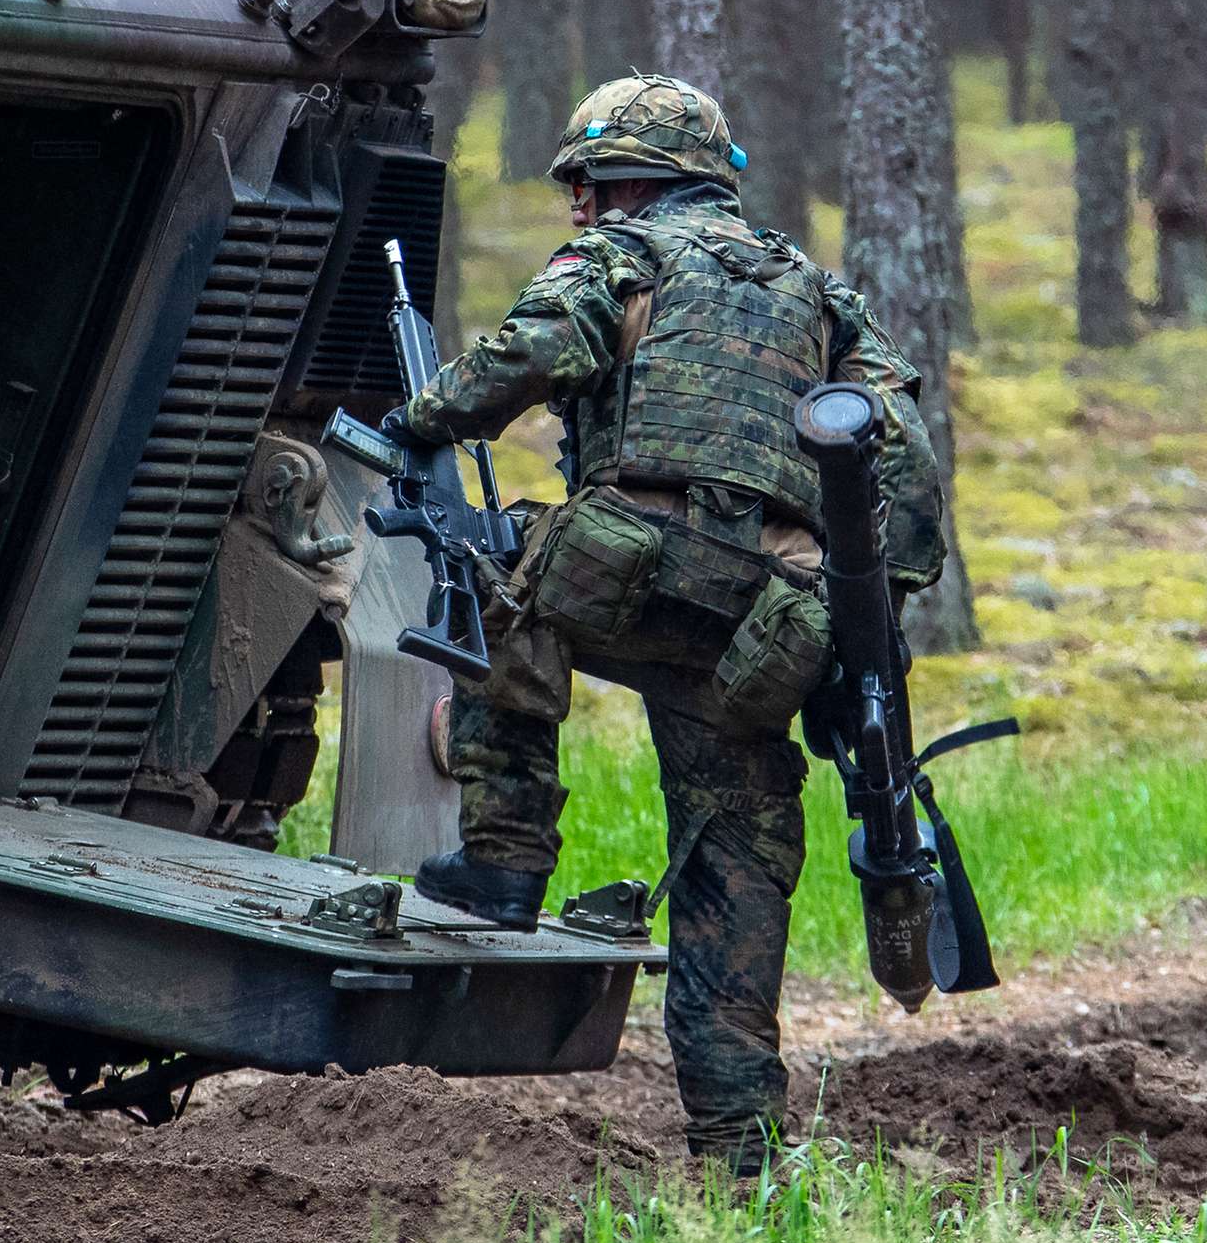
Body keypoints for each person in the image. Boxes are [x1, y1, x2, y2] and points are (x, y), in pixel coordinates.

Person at [385, 74, 946, 1173]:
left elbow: (528, 356)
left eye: (587, 184)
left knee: (493, 570)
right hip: (764, 626)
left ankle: (505, 856)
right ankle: (740, 1154)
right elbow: (906, 467)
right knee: (735, 859)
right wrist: (868, 632)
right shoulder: (823, 296)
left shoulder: (621, 256)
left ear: (631, 181)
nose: (578, 205)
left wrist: (421, 416)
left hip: (627, 571)